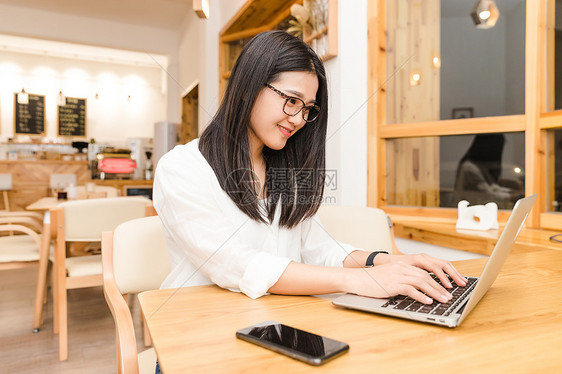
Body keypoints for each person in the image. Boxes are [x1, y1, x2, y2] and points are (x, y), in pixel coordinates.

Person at [153, 30, 466, 308]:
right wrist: (360, 280)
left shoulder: (284, 168)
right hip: (197, 337)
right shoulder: (182, 168)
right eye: (291, 100)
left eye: (308, 109)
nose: (299, 119)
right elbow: (237, 265)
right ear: (248, 87)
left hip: (272, 325)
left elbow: (319, 249)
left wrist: (386, 261)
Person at [453, 134, 523, 209]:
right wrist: (513, 196)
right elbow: (488, 194)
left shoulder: (479, 166)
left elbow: (492, 187)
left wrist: (510, 191)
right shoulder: (469, 168)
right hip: (472, 211)